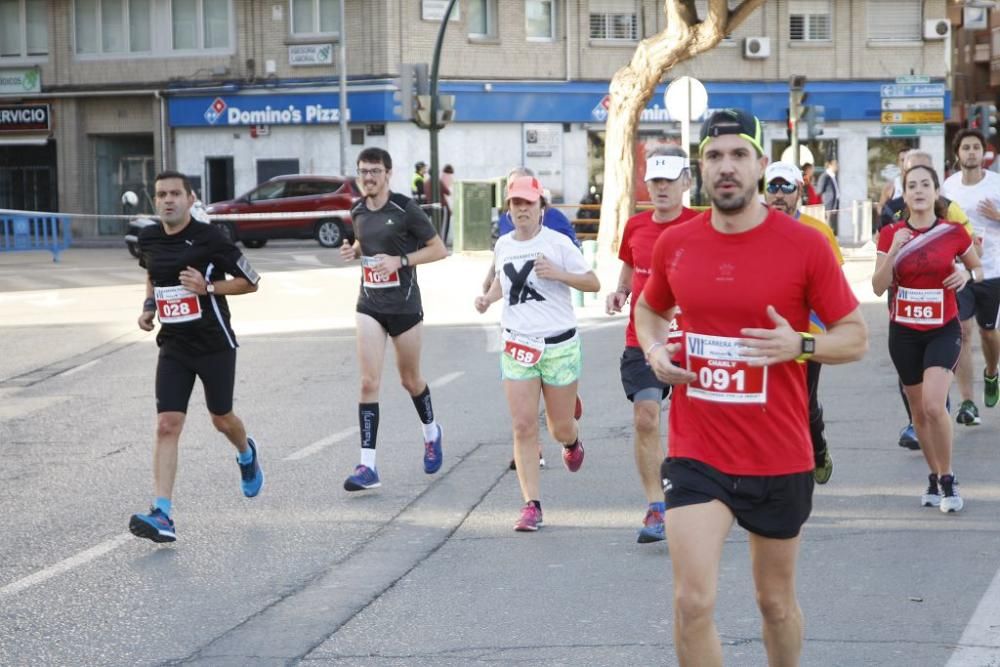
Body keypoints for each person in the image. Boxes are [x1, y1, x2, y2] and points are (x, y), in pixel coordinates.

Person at [635, 109, 867, 666]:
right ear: (701, 168)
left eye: (739, 154)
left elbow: (855, 337)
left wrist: (801, 345)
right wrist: (655, 350)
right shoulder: (678, 245)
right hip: (698, 449)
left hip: (778, 454)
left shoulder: (804, 245)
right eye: (715, 156)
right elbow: (649, 309)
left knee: (775, 603)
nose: (726, 167)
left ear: (761, 164)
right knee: (692, 602)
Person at [128, 170, 263, 543]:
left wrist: (209, 287)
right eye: (161, 195)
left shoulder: (210, 238)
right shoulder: (149, 237)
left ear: (190, 199)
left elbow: (252, 281)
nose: (168, 200)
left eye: (175, 194)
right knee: (167, 424)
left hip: (214, 344)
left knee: (221, 419)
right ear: (155, 200)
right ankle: (163, 514)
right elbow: (154, 276)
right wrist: (148, 307)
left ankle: (246, 452)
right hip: (174, 346)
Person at [475, 175, 600, 531]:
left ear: (541, 207)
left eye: (528, 203)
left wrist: (559, 273)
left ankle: (571, 439)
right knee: (522, 425)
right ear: (509, 209)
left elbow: (592, 282)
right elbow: (504, 280)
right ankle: (532, 505)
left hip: (559, 345)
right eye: (516, 203)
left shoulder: (558, 243)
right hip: (518, 345)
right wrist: (488, 298)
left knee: (559, 427)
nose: (522, 209)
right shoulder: (504, 245)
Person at [873, 164, 982, 513]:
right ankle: (933, 475)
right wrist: (893, 251)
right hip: (903, 331)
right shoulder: (891, 233)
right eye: (912, 186)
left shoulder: (952, 231)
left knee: (936, 405)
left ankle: (949, 477)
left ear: (936, 193)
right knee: (918, 411)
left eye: (925, 185)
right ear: (904, 194)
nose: (919, 191)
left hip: (942, 327)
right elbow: (878, 286)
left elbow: (977, 266)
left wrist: (965, 273)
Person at [339, 147, 448, 491]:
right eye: (363, 171)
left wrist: (400, 261)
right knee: (368, 382)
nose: (368, 177)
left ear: (388, 173)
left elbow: (438, 249)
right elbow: (365, 242)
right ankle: (367, 466)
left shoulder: (405, 209)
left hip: (404, 306)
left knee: (409, 380)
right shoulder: (357, 210)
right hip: (369, 303)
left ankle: (431, 433)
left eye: (374, 171)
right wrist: (354, 250)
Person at [606, 147, 699, 544]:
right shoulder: (636, 226)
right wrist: (621, 291)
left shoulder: (703, 224)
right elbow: (630, 264)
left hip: (692, 339)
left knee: (693, 425)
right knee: (646, 416)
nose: (661, 188)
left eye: (669, 180)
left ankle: (696, 497)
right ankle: (656, 506)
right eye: (655, 181)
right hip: (643, 338)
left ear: (686, 182)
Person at [763, 161, 844, 484]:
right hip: (762, 336)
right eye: (773, 187)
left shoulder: (818, 232)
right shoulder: (750, 228)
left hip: (806, 334)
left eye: (787, 187)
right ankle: (775, 472)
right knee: (761, 403)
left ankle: (818, 448)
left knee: (803, 404)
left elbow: (834, 287)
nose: (779, 194)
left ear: (800, 191)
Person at [942, 129, 1000, 427]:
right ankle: (967, 402)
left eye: (976, 147)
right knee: (963, 333)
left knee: (988, 333)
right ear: (958, 154)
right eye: (966, 148)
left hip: (992, 271)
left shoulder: (996, 184)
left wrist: (998, 215)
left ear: (983, 153)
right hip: (960, 272)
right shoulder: (948, 188)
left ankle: (992, 372)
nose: (971, 153)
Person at [816, 158, 841, 234]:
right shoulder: (825, 176)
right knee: (827, 223)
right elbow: (819, 190)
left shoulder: (833, 176)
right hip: (828, 204)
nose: (837, 166)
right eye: (835, 164)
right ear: (830, 165)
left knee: (832, 224)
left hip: (834, 204)